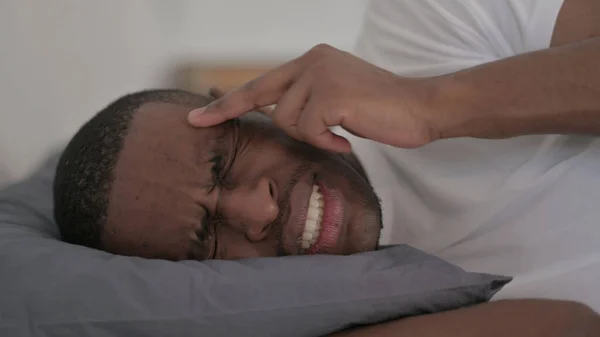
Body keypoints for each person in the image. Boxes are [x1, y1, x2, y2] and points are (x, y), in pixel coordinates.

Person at [53, 89, 383, 261]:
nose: (263, 211)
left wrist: (431, 112)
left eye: (224, 162)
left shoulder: (422, 37)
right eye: (209, 243)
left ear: (248, 106)